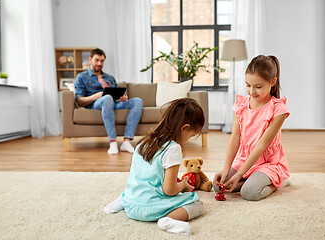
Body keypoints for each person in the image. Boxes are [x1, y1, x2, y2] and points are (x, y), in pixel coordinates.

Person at [103, 98, 206, 235]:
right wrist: (183, 186)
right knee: (198, 204)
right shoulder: (173, 148)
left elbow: (145, 175)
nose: (189, 139)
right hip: (148, 209)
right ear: (184, 128)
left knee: (139, 186)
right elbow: (169, 190)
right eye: (191, 135)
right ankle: (168, 220)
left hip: (131, 204)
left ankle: (121, 201)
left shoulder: (143, 142)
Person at [213, 55, 290, 201]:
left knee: (249, 193)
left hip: (266, 162)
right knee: (217, 185)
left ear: (272, 82)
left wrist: (237, 175)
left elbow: (261, 146)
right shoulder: (241, 105)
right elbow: (234, 139)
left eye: (258, 87)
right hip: (244, 159)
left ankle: (278, 183)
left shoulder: (279, 109)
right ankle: (248, 181)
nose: (252, 91)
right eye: (248, 85)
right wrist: (226, 170)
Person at [75, 48, 143, 154]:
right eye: (96, 60)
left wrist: (123, 97)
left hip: (114, 103)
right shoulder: (81, 77)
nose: (99, 63)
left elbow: (115, 94)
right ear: (90, 59)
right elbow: (79, 101)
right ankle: (113, 142)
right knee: (107, 98)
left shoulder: (110, 77)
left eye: (102, 61)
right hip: (96, 103)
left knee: (138, 101)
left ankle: (126, 141)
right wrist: (95, 96)